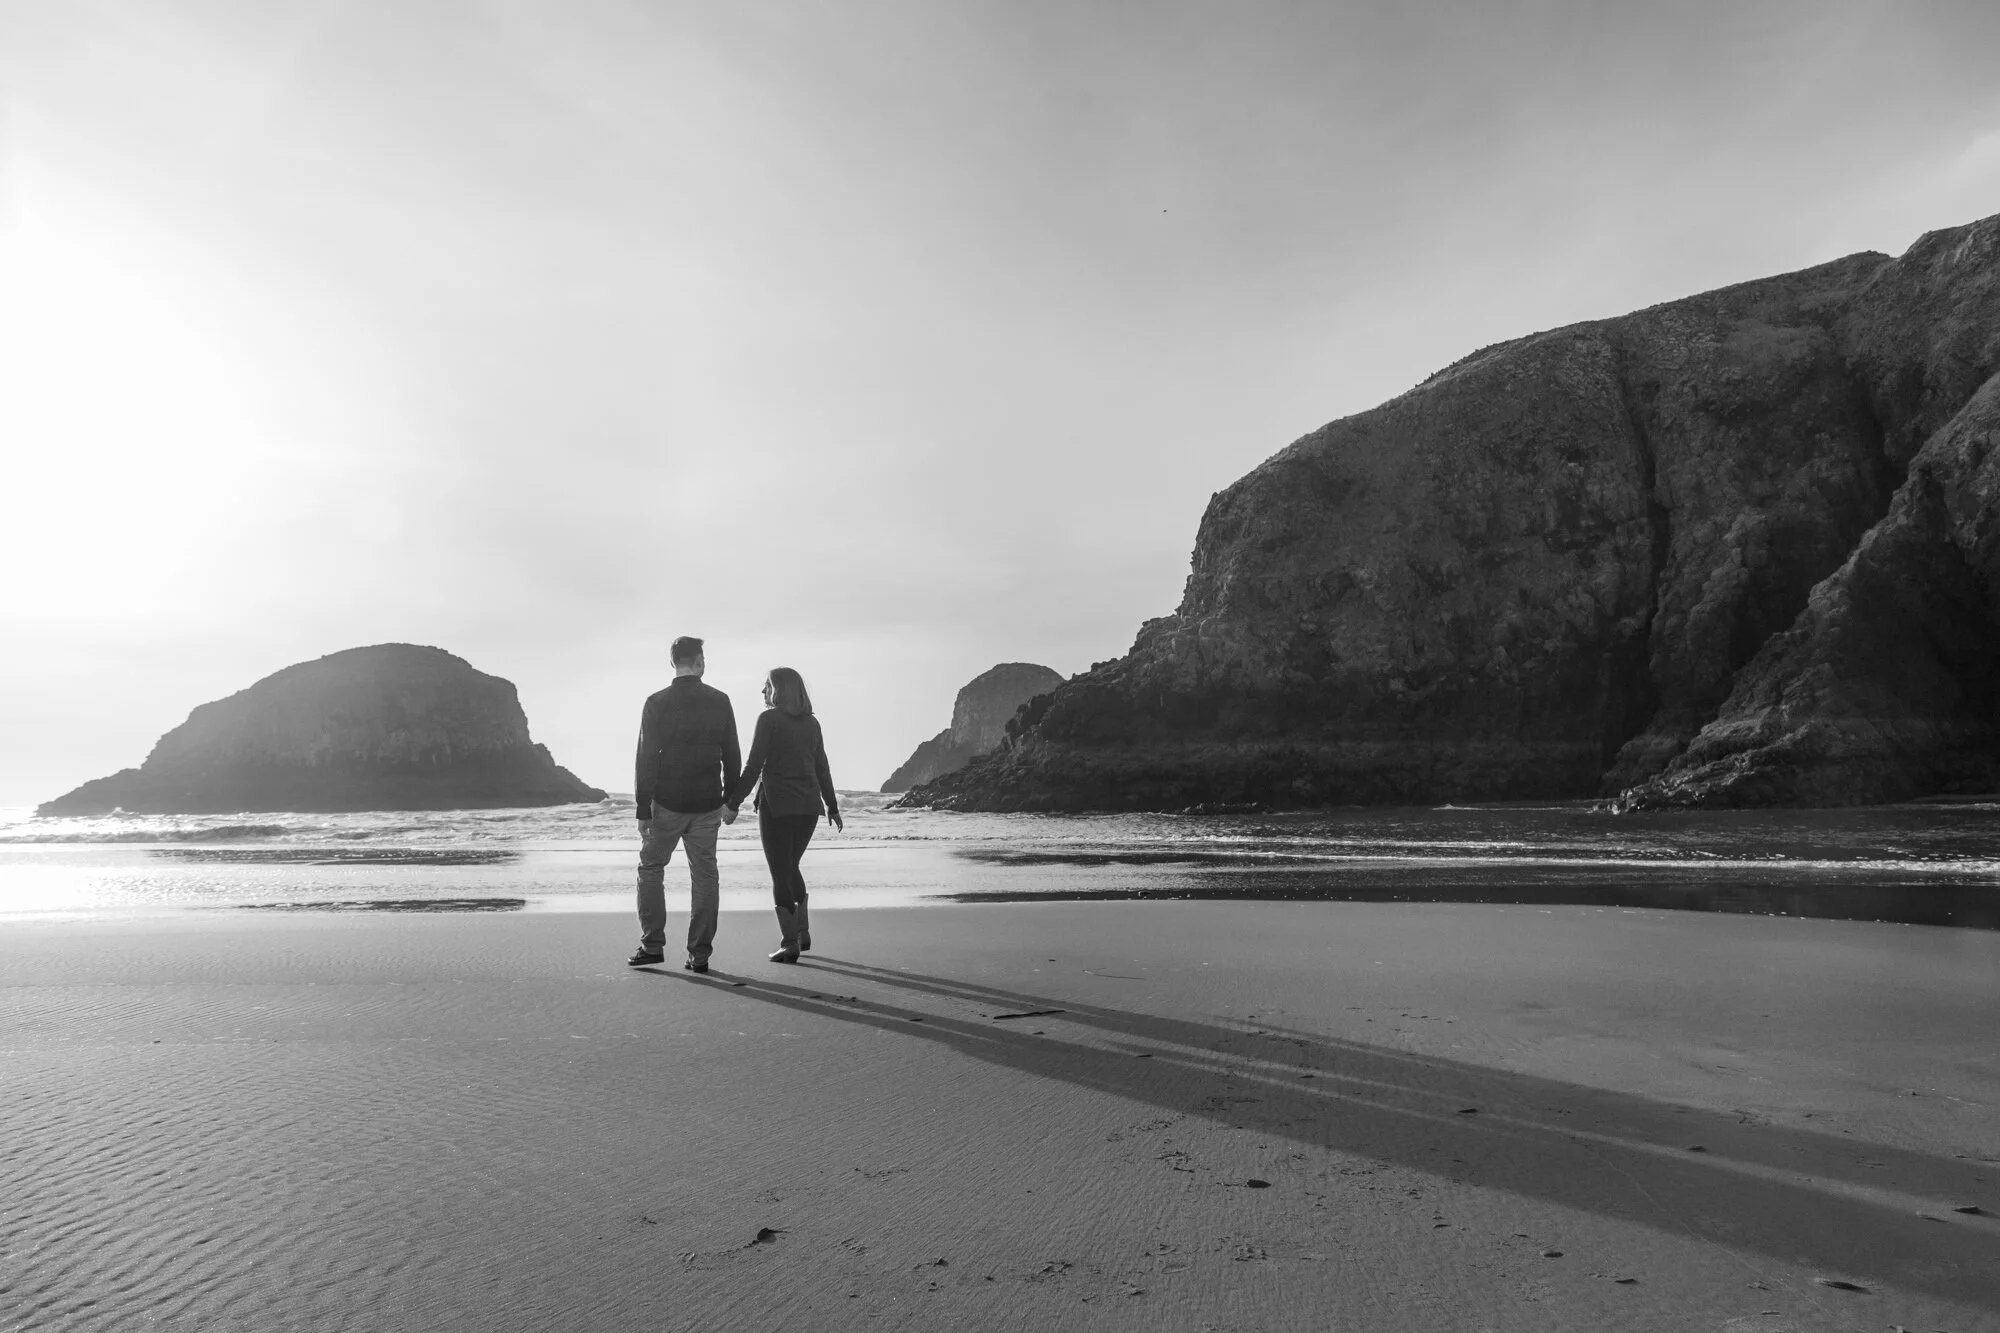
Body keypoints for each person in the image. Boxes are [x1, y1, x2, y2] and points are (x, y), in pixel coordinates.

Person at [630, 636, 741, 972]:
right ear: (699, 660)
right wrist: (731, 800)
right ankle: (700, 954)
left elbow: (646, 757)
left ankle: (652, 945)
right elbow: (731, 754)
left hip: (667, 802)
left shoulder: (656, 702)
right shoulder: (720, 700)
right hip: (708, 803)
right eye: (703, 657)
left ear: (672, 661)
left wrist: (642, 806)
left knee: (650, 869)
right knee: (705, 877)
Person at [726, 666, 842, 963]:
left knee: (781, 871)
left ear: (778, 689)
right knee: (790, 866)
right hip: (808, 808)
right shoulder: (812, 724)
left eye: (766, 685)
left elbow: (753, 766)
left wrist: (733, 802)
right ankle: (802, 935)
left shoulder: (768, 719)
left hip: (777, 807)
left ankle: (789, 942)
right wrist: (832, 805)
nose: (762, 691)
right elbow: (822, 768)